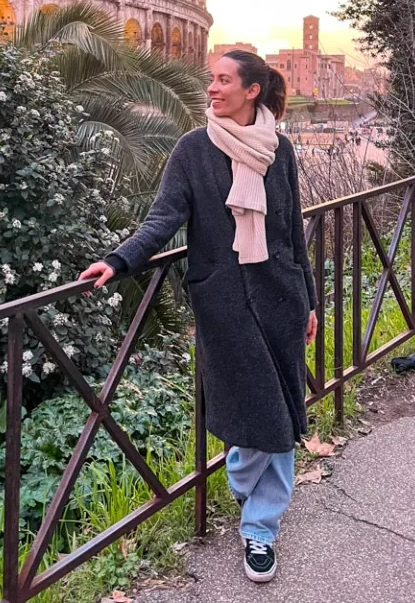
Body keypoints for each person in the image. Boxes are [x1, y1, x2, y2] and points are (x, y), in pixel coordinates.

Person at [78, 50, 318, 583]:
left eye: (223, 80)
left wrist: (311, 298)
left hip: (280, 296)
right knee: (255, 412)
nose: (212, 88)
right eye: (212, 79)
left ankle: (260, 527)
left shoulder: (279, 150)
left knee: (277, 415)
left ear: (251, 90)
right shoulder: (193, 149)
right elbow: (163, 218)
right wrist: (119, 260)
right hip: (224, 302)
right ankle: (242, 483)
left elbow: (291, 228)